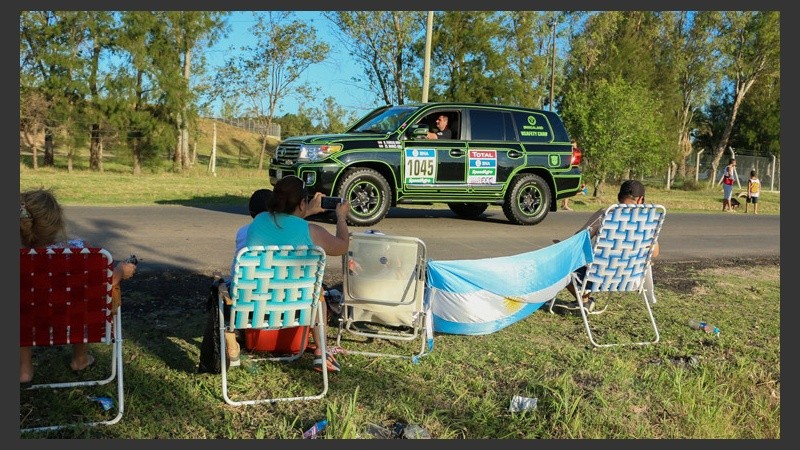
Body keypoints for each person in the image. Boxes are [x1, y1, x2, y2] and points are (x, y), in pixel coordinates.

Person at [19, 188, 137, 383]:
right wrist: (120, 271)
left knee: (21, 308)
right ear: (56, 223)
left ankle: (24, 369)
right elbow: (102, 283)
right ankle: (80, 359)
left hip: (29, 323)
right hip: (68, 321)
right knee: (80, 302)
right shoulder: (79, 251)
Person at [245, 176, 351, 373]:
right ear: (302, 203)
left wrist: (306, 210)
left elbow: (285, 224)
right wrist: (341, 217)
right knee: (317, 291)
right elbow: (342, 246)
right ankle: (321, 352)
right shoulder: (312, 231)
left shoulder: (258, 221)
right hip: (297, 307)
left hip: (255, 305)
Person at [563, 180, 660, 311]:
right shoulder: (646, 220)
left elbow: (580, 240)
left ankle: (584, 300)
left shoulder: (606, 214)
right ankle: (584, 301)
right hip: (631, 277)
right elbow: (655, 253)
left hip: (599, 277)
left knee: (563, 266)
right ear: (640, 199)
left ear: (619, 196)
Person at [222, 188, 272, 367]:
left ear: (251, 213)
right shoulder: (287, 233)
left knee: (219, 289)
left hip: (246, 305)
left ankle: (233, 347)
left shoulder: (243, 232)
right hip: (286, 306)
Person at [561, 140, 580, 211]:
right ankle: (565, 205)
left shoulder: (574, 153)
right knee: (568, 187)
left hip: (571, 169)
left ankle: (564, 204)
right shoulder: (568, 154)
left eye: (575, 146)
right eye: (572, 146)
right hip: (568, 170)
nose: (574, 148)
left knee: (566, 187)